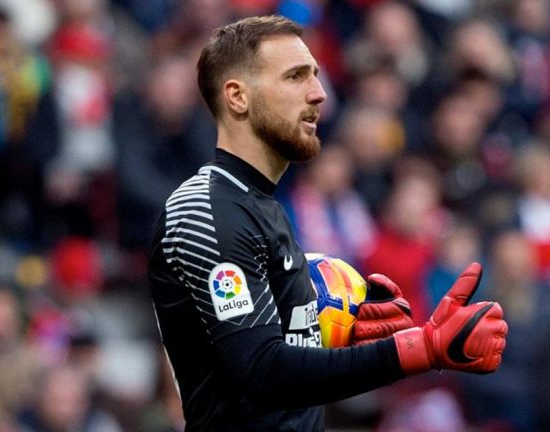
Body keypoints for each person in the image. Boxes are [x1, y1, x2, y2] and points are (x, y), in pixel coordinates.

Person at [147, 15, 508, 431]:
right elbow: (262, 371)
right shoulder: (206, 210)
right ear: (238, 97)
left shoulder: (264, 208)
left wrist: (345, 336)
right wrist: (419, 348)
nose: (318, 93)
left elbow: (282, 357)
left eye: (315, 75)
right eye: (295, 77)